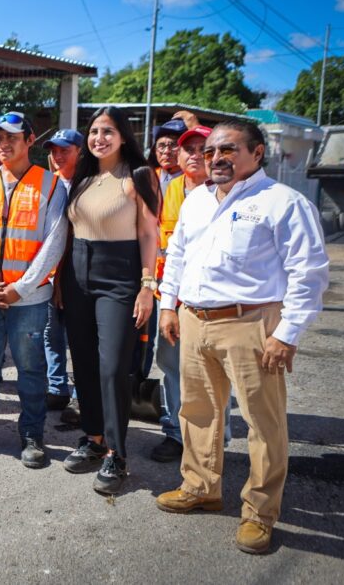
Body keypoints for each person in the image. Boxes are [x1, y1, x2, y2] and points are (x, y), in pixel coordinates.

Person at [155, 120, 329, 555]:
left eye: (228, 150)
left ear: (256, 153)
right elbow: (177, 254)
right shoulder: (195, 199)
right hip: (194, 320)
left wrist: (286, 334)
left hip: (252, 324)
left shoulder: (283, 202)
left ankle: (259, 512)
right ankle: (200, 486)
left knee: (263, 423)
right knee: (197, 411)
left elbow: (308, 274)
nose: (215, 158)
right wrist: (168, 305)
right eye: (211, 151)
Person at [58, 106, 160, 495]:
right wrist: (60, 282)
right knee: (82, 361)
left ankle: (117, 452)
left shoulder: (138, 175)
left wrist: (147, 286)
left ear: (124, 136)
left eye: (108, 131)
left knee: (114, 365)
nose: (99, 138)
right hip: (78, 273)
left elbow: (150, 235)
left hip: (120, 275)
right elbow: (72, 229)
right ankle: (94, 437)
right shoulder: (83, 176)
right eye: (94, 131)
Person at [0, 113, 67, 466]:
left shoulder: (51, 185)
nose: (4, 144)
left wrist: (22, 288)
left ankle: (32, 435)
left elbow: (54, 241)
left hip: (29, 300)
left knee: (31, 369)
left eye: (12, 138)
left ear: (30, 140)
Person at [151, 125, 217, 462]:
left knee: (211, 376)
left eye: (201, 148)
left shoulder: (226, 193)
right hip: (172, 300)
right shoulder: (167, 189)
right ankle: (175, 434)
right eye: (187, 148)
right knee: (172, 368)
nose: (193, 155)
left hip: (213, 304)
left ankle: (212, 444)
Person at [41, 129, 83, 419]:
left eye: (64, 150)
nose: (58, 155)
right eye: (54, 150)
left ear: (80, 152)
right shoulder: (48, 185)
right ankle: (57, 389)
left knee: (79, 337)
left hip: (77, 273)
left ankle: (82, 396)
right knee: (50, 334)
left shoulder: (87, 186)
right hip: (49, 273)